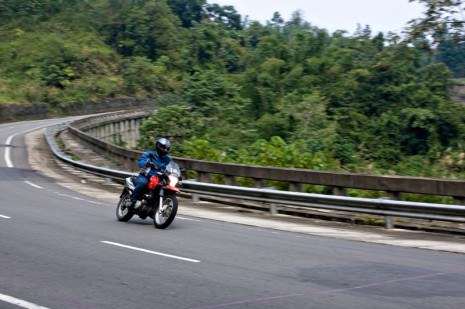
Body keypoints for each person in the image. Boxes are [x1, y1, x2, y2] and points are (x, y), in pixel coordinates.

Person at [125, 137, 172, 209]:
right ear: (158, 146)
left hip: (159, 179)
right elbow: (140, 162)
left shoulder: (167, 159)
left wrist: (179, 171)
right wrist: (148, 163)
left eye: (167, 148)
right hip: (146, 176)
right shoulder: (149, 154)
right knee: (143, 183)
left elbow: (172, 166)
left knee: (166, 187)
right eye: (164, 148)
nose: (165, 150)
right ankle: (132, 200)